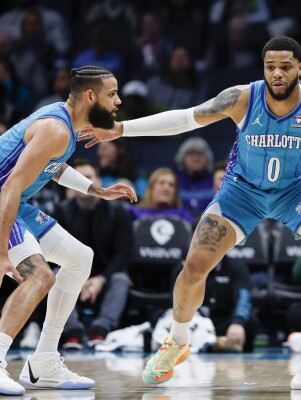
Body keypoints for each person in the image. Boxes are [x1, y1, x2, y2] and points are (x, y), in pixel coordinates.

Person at [78, 36, 301, 386]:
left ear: (299, 68)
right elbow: (186, 119)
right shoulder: (242, 97)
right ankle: (177, 340)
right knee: (194, 265)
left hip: (296, 191)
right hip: (242, 192)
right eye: (270, 67)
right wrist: (121, 129)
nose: (277, 73)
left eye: (285, 66)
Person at [0, 66, 137, 395]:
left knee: (79, 257)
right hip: (4, 199)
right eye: (112, 93)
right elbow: (12, 187)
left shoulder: (69, 126)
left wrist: (96, 190)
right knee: (41, 277)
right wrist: (2, 250)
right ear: (91, 96)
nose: (118, 100)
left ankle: (44, 362)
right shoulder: (55, 128)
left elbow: (53, 166)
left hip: (14, 201)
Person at [52, 159, 133, 349]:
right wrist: (78, 278)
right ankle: (73, 332)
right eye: (77, 178)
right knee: (54, 274)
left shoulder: (118, 212)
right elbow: (54, 251)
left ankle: (101, 330)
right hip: (72, 271)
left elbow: (124, 253)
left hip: (107, 274)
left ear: (98, 181)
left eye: (87, 177)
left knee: (121, 279)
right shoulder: (61, 211)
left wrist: (101, 279)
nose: (82, 182)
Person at [129, 167, 194, 224]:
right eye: (161, 183)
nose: (166, 188)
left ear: (175, 193)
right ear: (151, 188)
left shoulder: (183, 216)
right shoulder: (135, 213)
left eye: (171, 185)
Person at [174, 137, 215, 218]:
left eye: (200, 153)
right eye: (191, 153)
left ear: (207, 158)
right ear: (182, 158)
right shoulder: (174, 181)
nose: (196, 157)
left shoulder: (216, 180)